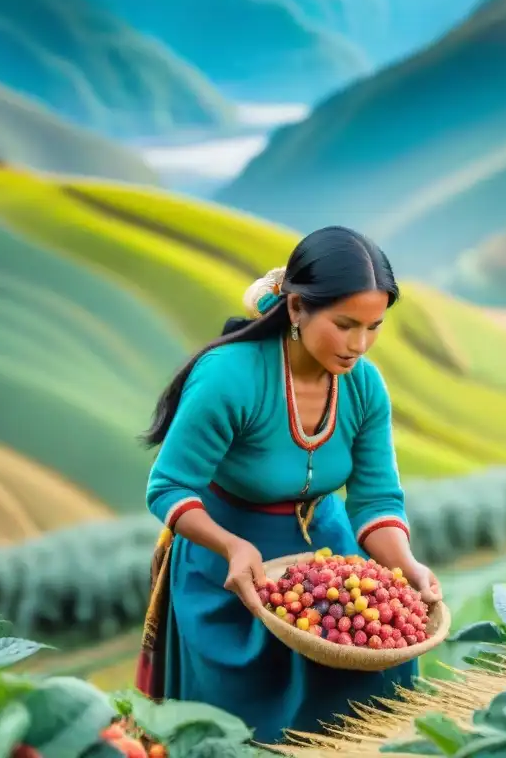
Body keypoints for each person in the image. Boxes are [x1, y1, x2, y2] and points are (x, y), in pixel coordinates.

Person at [134, 226, 442, 745]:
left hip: (329, 561)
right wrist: (232, 548)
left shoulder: (364, 386)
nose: (359, 345)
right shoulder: (230, 378)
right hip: (229, 565)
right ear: (297, 308)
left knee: (374, 691)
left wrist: (404, 566)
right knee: (238, 734)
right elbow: (168, 487)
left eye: (373, 327)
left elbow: (375, 498)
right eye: (344, 325)